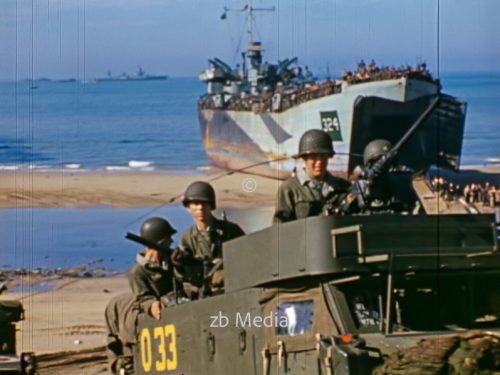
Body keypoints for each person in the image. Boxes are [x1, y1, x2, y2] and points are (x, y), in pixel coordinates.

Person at [105, 217, 177, 375]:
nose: (171, 242)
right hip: (151, 315)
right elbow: (143, 297)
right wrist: (153, 304)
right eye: (167, 240)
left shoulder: (170, 264)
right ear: (159, 242)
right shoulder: (137, 273)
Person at [171, 181, 245, 299]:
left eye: (204, 203)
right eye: (195, 203)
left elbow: (247, 257)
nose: (200, 208)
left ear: (211, 206)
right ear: (188, 208)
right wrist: (178, 265)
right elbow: (185, 278)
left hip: (234, 287)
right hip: (205, 294)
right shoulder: (187, 238)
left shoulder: (231, 230)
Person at [273, 129, 350, 223]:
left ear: (328, 157)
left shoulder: (342, 186)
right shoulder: (289, 188)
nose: (319, 162)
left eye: (323, 156)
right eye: (314, 156)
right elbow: (279, 227)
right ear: (305, 158)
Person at [342, 139, 419, 215]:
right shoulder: (358, 191)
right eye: (377, 163)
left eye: (389, 165)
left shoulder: (402, 191)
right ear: (368, 166)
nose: (384, 169)